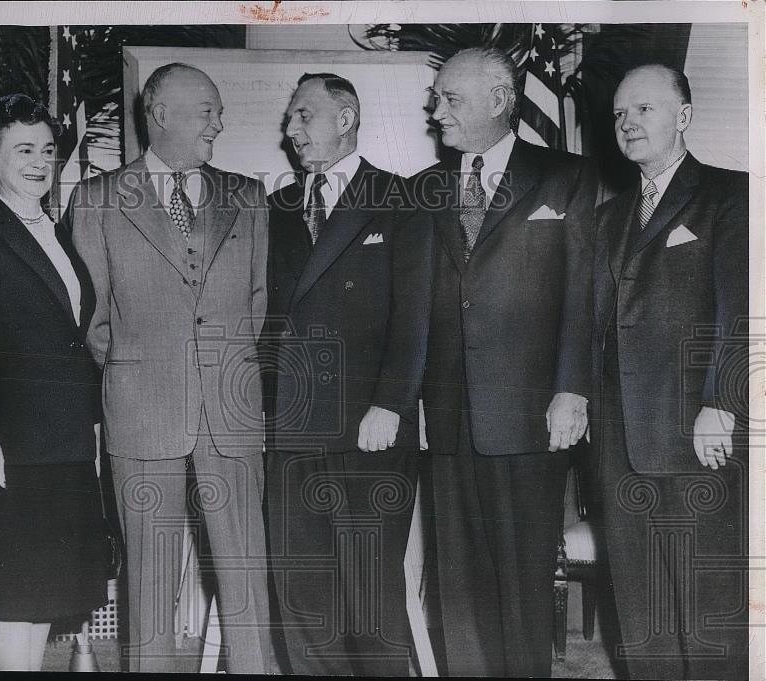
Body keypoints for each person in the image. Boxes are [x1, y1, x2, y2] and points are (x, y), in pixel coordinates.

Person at [68, 63, 272, 673]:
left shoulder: (248, 195)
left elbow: (257, 304)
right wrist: (146, 367)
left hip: (231, 410)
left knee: (246, 576)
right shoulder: (98, 198)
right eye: (206, 108)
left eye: (218, 109)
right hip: (142, 408)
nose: (219, 120)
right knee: (149, 584)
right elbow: (93, 320)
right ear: (158, 114)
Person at [412, 47, 597, 677]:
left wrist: (572, 388)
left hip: (530, 412)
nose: (436, 113)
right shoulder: (428, 189)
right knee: (457, 584)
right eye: (437, 98)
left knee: (520, 577)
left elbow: (583, 293)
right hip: (447, 411)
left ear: (499, 100)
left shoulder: (566, 177)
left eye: (449, 99)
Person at [262, 72, 433, 677]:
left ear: (346, 117)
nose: (290, 130)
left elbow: (416, 316)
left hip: (369, 428)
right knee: (302, 593)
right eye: (289, 118)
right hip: (289, 427)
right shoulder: (276, 206)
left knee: (367, 595)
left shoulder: (402, 198)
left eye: (303, 115)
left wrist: (391, 403)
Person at [592, 64, 748, 680]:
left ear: (683, 115)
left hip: (695, 431)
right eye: (619, 114)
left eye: (645, 110)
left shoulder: (730, 195)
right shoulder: (607, 219)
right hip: (619, 439)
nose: (628, 123)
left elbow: (740, 309)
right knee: (641, 608)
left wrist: (722, 401)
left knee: (707, 608)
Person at [0, 94, 115, 671]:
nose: (38, 162)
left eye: (47, 151)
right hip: (11, 445)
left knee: (45, 584)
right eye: (22, 149)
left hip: (66, 441)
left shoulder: (54, 230)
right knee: (10, 584)